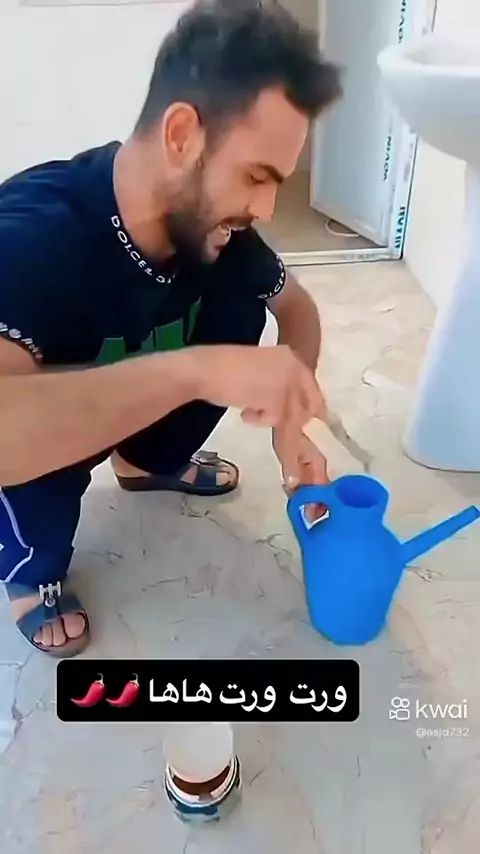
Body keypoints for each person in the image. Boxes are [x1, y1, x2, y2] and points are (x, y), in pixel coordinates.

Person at [0, 0, 342, 657]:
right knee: (29, 459)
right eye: (256, 176)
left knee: (240, 309)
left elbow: (296, 307)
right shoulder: (30, 237)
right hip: (43, 446)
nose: (268, 207)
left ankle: (144, 462)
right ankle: (28, 573)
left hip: (128, 394)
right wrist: (197, 371)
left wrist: (289, 425)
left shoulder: (215, 226)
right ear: (182, 135)